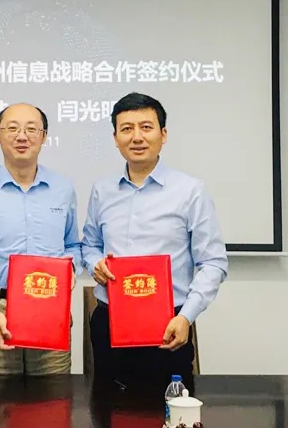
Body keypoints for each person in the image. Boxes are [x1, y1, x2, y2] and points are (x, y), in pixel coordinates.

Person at [81, 92, 229, 389]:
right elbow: (90, 244)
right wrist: (94, 262)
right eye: (126, 129)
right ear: (115, 138)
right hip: (110, 321)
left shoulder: (190, 190)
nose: (137, 137)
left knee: (170, 408)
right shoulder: (102, 190)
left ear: (163, 134)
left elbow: (213, 263)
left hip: (169, 323)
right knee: (108, 406)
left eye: (146, 127)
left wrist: (186, 317)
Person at [0, 103, 82, 375]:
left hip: (49, 309)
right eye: (12, 128)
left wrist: (70, 269)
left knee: (52, 397)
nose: (22, 136)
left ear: (44, 137)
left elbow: (72, 246)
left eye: (31, 129)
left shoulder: (63, 189)